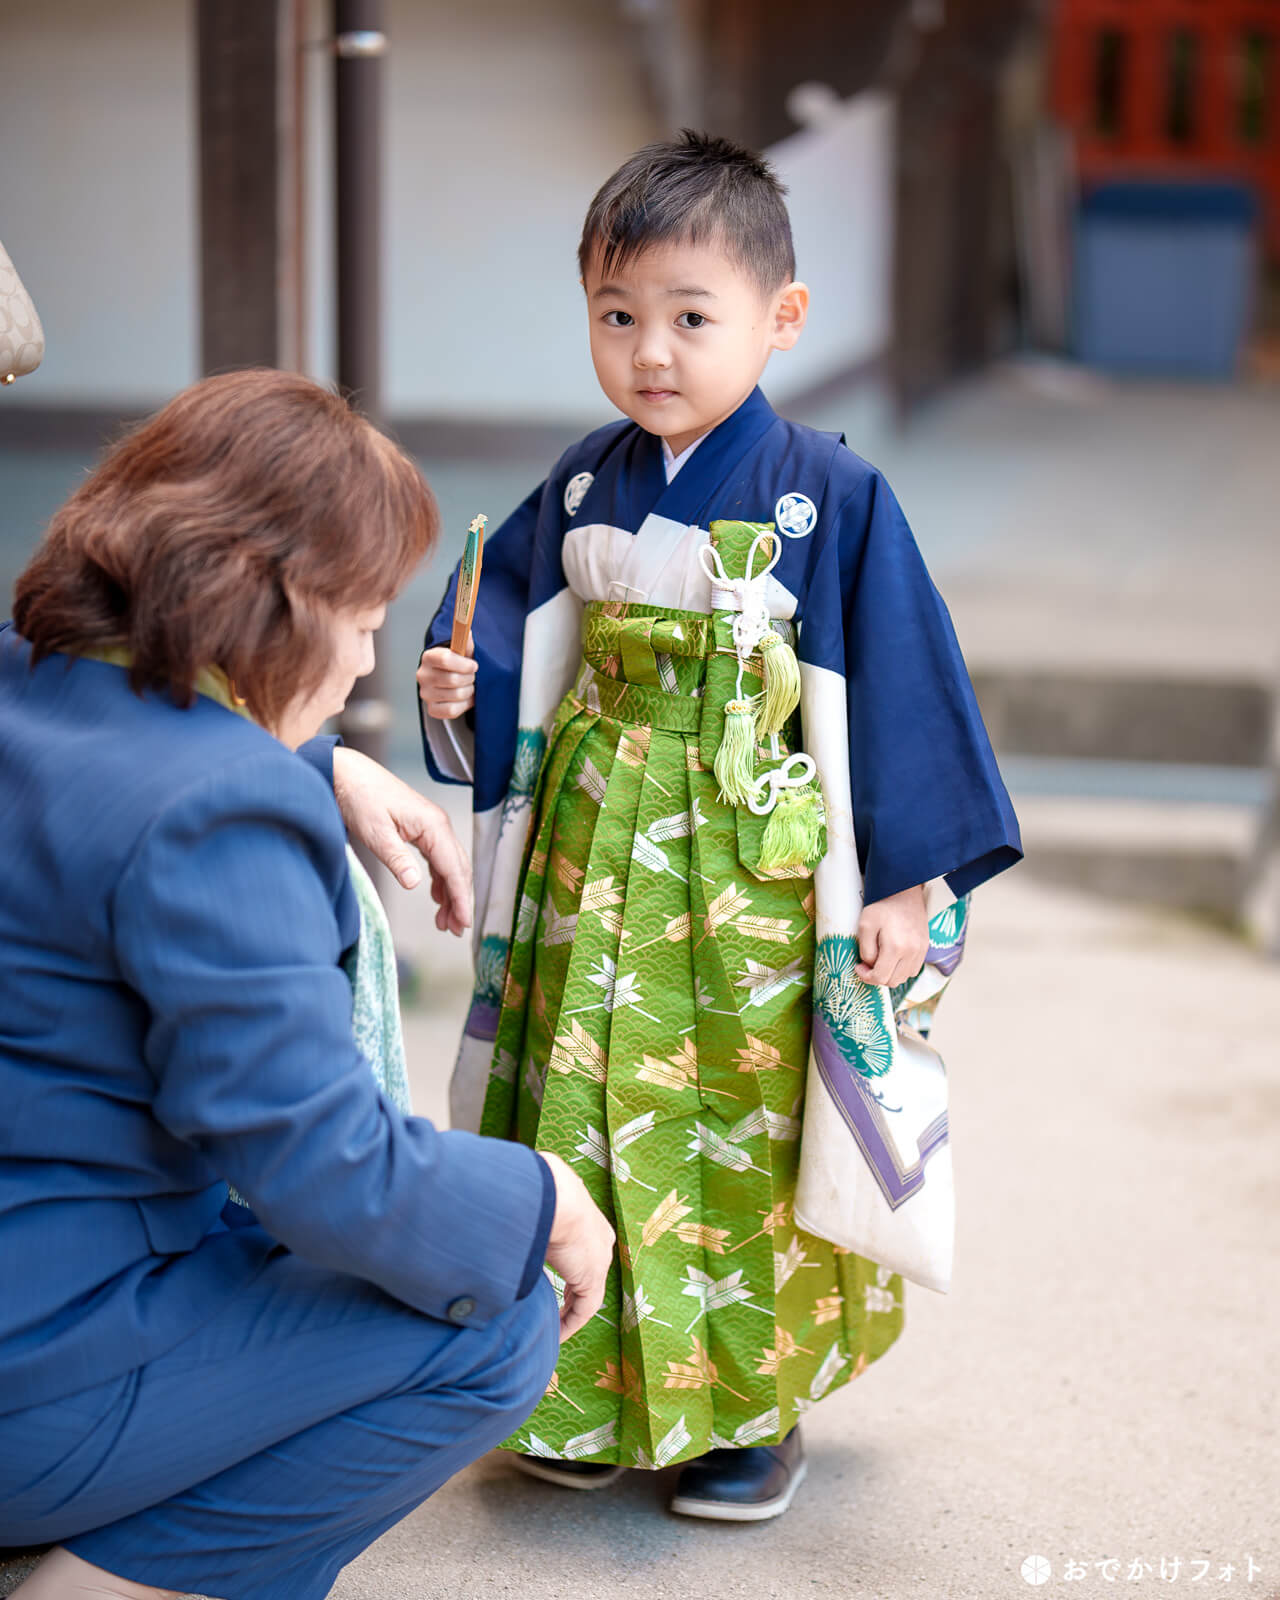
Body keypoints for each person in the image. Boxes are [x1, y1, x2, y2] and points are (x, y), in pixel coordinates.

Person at [416, 132, 1021, 1521]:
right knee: (578, 1106)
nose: (652, 353)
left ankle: (751, 1414)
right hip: (589, 851)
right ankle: (575, 1395)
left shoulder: (835, 495)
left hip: (750, 874)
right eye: (618, 316)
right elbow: (507, 636)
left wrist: (910, 878)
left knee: (739, 1130)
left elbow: (905, 689)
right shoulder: (581, 485)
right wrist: (466, 686)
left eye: (693, 318)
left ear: (781, 319)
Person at [0, 368, 614, 1600]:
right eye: (366, 612)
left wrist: (309, 761)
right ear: (278, 603)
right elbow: (321, 1162)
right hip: (37, 1369)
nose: (370, 652)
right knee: (490, 1321)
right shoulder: (214, 812)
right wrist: (538, 1193)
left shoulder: (27, 681)